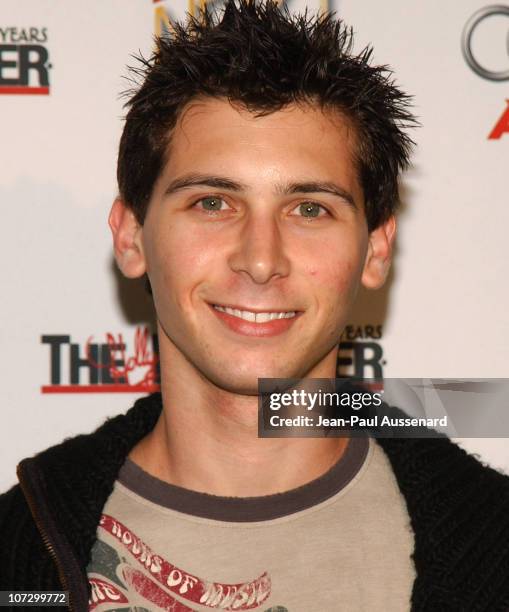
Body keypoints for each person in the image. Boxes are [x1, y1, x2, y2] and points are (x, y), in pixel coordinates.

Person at [1, 1, 509, 610]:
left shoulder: (494, 541)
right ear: (131, 234)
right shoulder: (16, 554)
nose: (261, 259)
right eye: (213, 202)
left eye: (310, 208)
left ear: (376, 250)